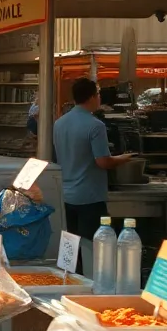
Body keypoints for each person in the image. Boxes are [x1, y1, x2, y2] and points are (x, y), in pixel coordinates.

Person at [52, 78, 135, 241]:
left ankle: (72, 268)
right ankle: (88, 268)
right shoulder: (95, 125)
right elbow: (103, 161)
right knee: (90, 246)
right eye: (98, 94)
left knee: (70, 245)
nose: (99, 97)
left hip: (66, 194)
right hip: (89, 196)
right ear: (91, 97)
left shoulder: (59, 123)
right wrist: (124, 158)